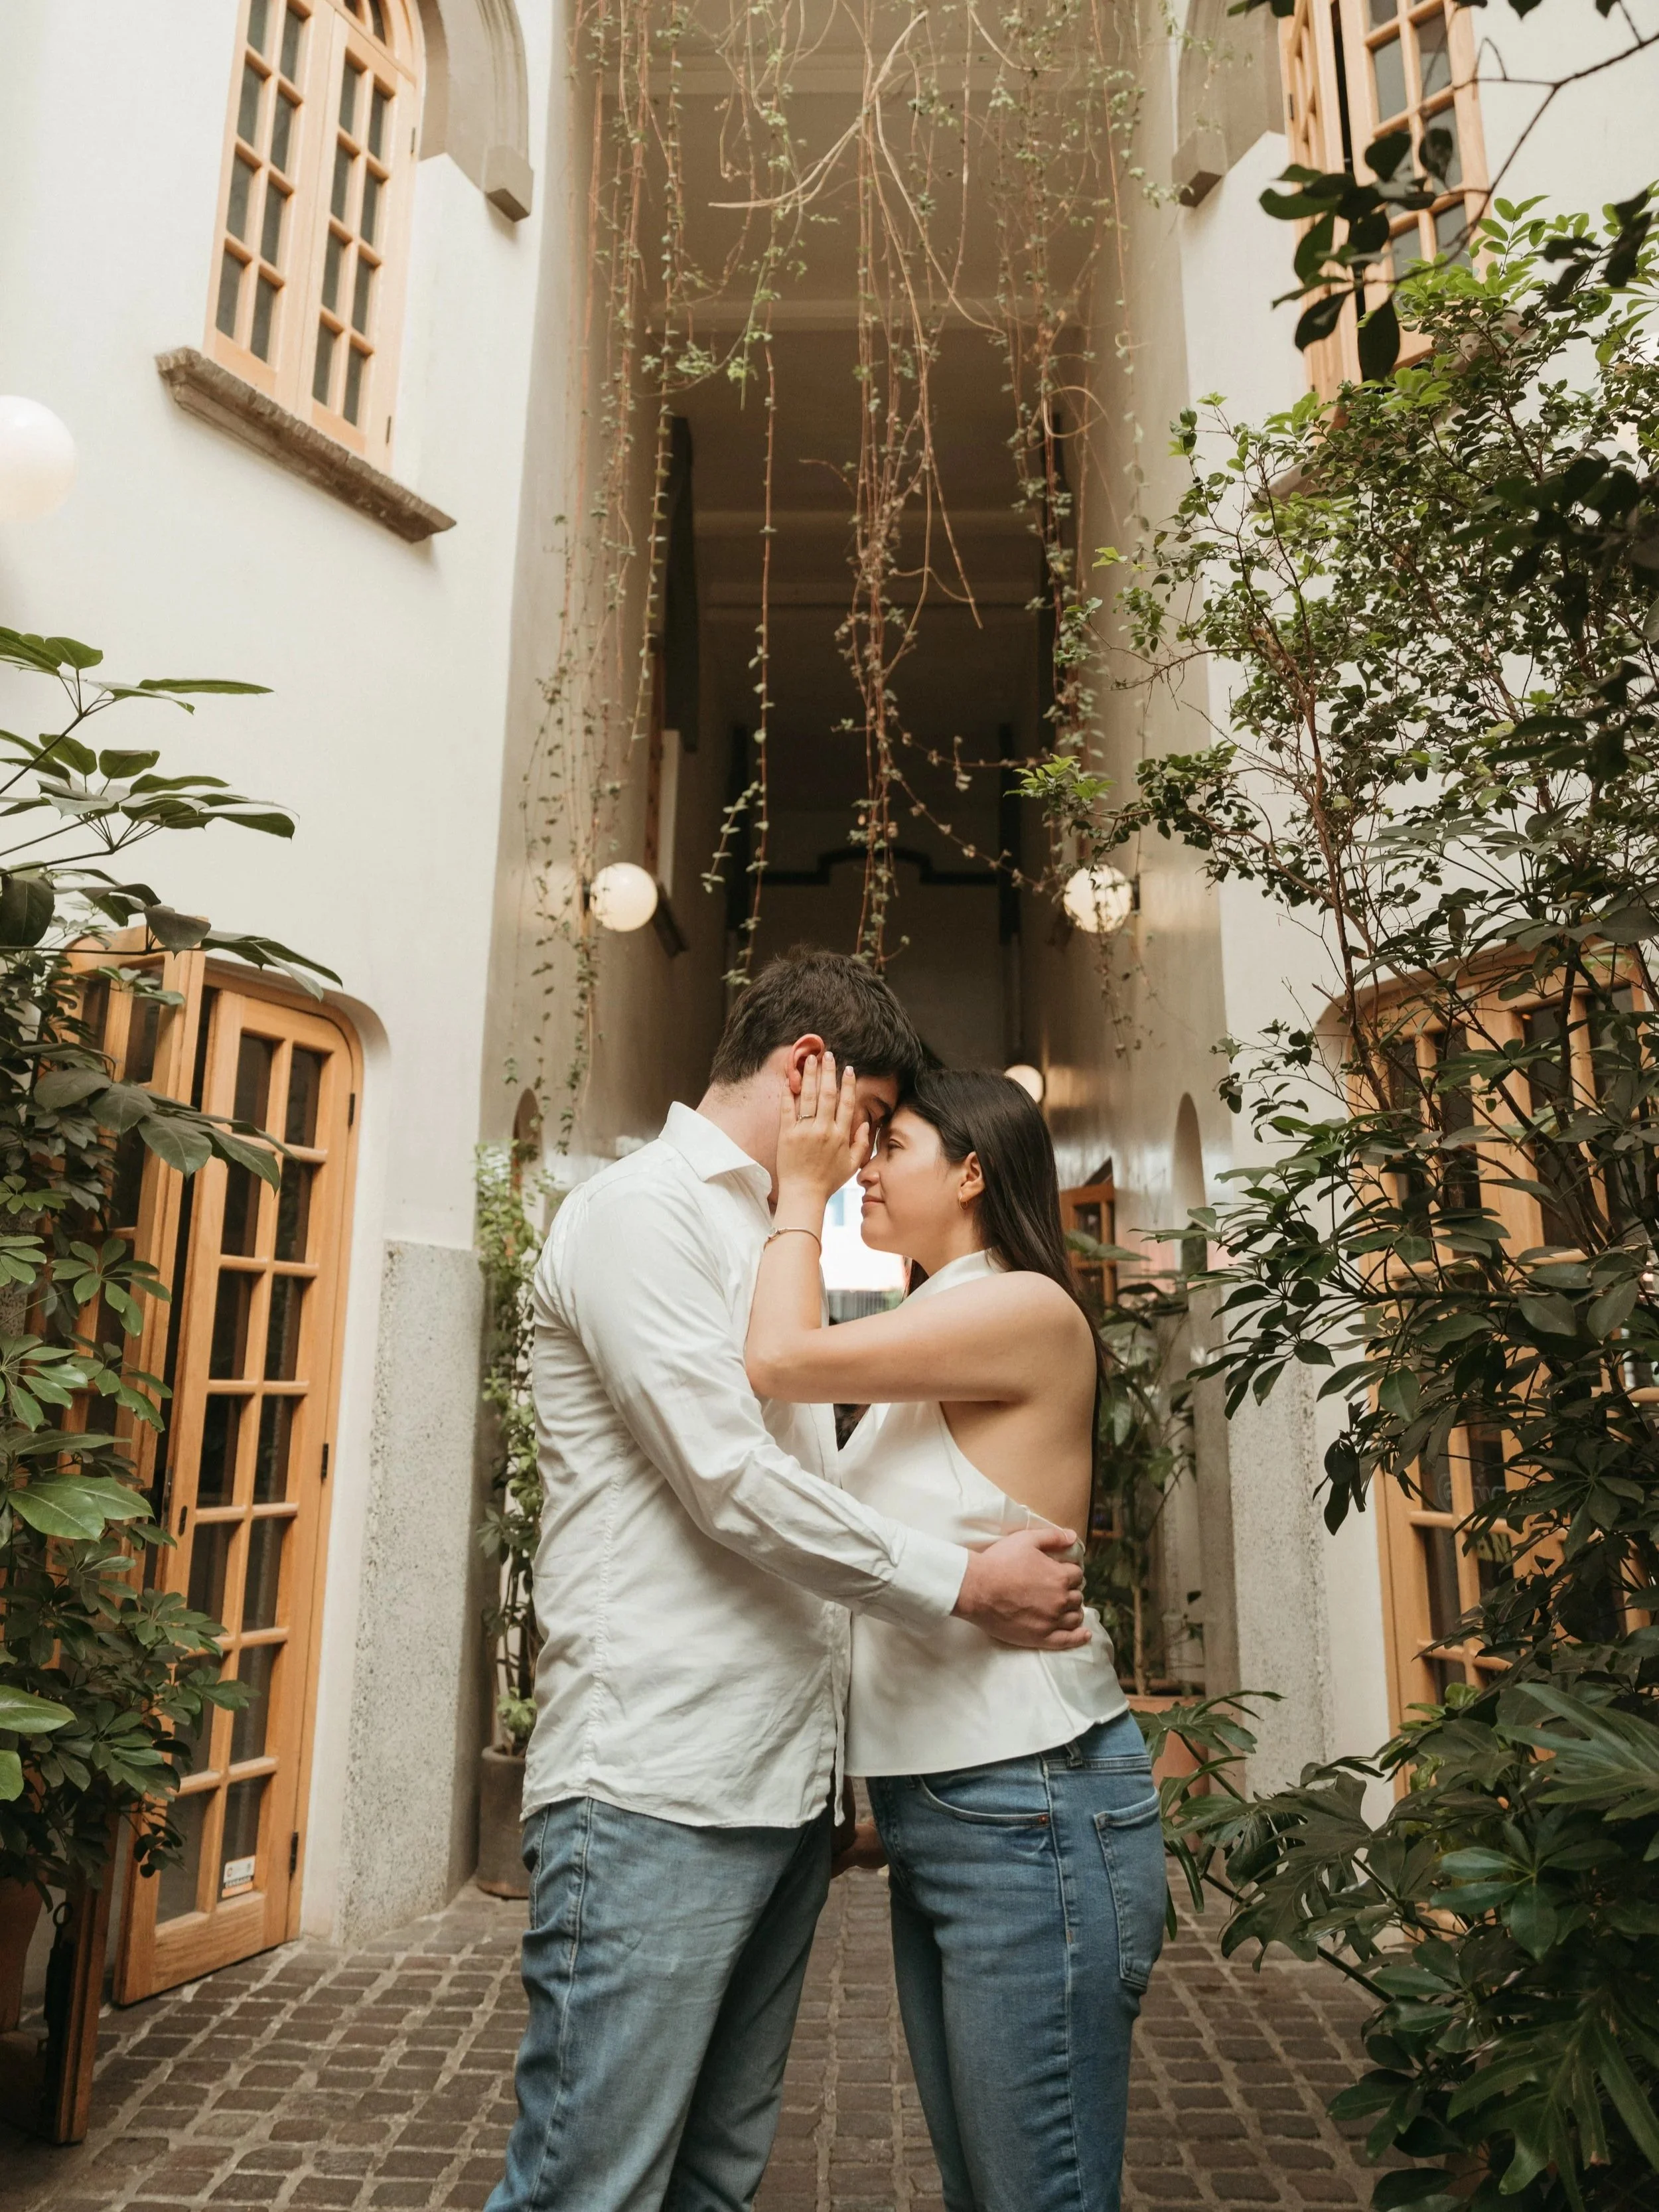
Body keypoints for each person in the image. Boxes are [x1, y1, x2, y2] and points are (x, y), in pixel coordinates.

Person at [486, 950, 1090, 2212]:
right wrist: (960, 1583)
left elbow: (811, 1494)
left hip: (773, 1787)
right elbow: (730, 1483)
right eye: (870, 1119)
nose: (868, 1158)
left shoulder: (774, 1233)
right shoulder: (639, 1215)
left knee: (715, 2174)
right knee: (587, 2187)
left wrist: (838, 1772)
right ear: (805, 1071)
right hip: (657, 1777)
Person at [745, 1055, 1167, 2212]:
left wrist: (797, 1194)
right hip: (956, 1812)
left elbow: (777, 1357)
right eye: (864, 1153)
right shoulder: (931, 1317)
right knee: (984, 2189)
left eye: (895, 1148)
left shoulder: (1020, 1308)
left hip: (1034, 1807)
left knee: (1039, 2194)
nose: (866, 1170)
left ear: (973, 1172)